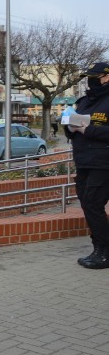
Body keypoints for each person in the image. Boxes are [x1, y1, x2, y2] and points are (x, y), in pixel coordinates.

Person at [65, 62, 109, 270]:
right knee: (87, 204)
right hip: (83, 161)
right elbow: (71, 123)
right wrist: (69, 127)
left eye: (95, 76)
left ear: (107, 77)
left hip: (104, 162)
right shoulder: (84, 101)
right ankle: (98, 249)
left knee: (93, 203)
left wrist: (87, 130)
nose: (90, 81)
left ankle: (105, 252)